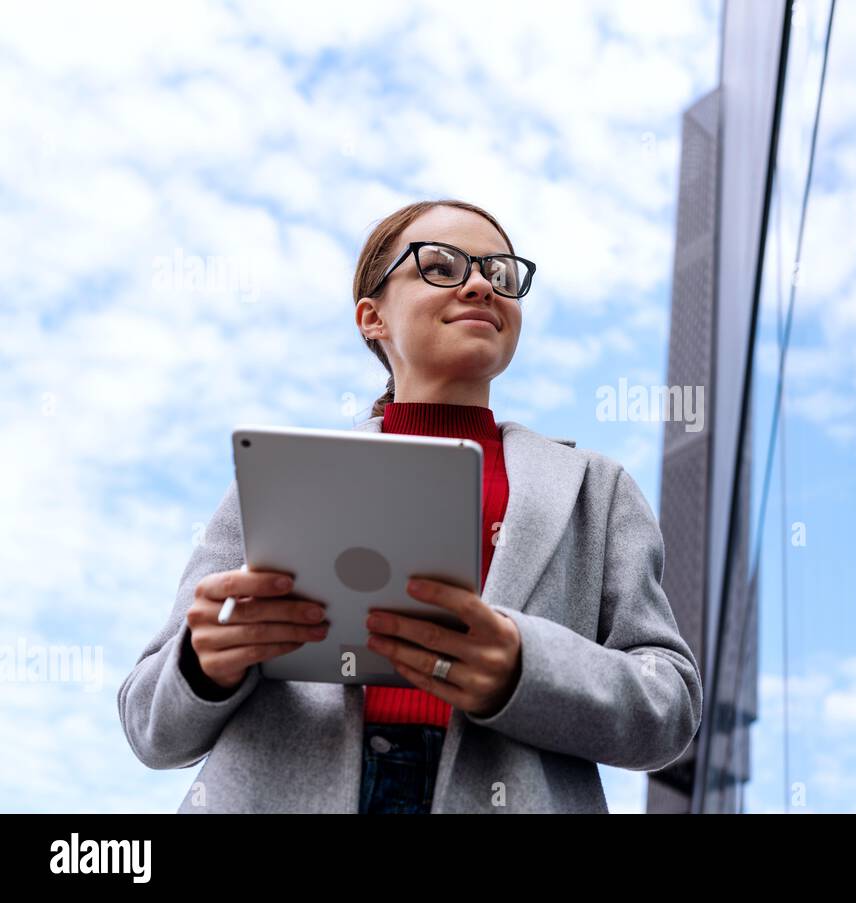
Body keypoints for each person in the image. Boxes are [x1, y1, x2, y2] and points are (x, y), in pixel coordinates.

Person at [117, 198, 704, 813]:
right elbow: (148, 728)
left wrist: (524, 668)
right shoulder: (277, 481)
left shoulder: (596, 490)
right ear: (372, 317)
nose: (480, 284)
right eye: (442, 266)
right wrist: (203, 663)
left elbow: (669, 708)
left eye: (501, 273)